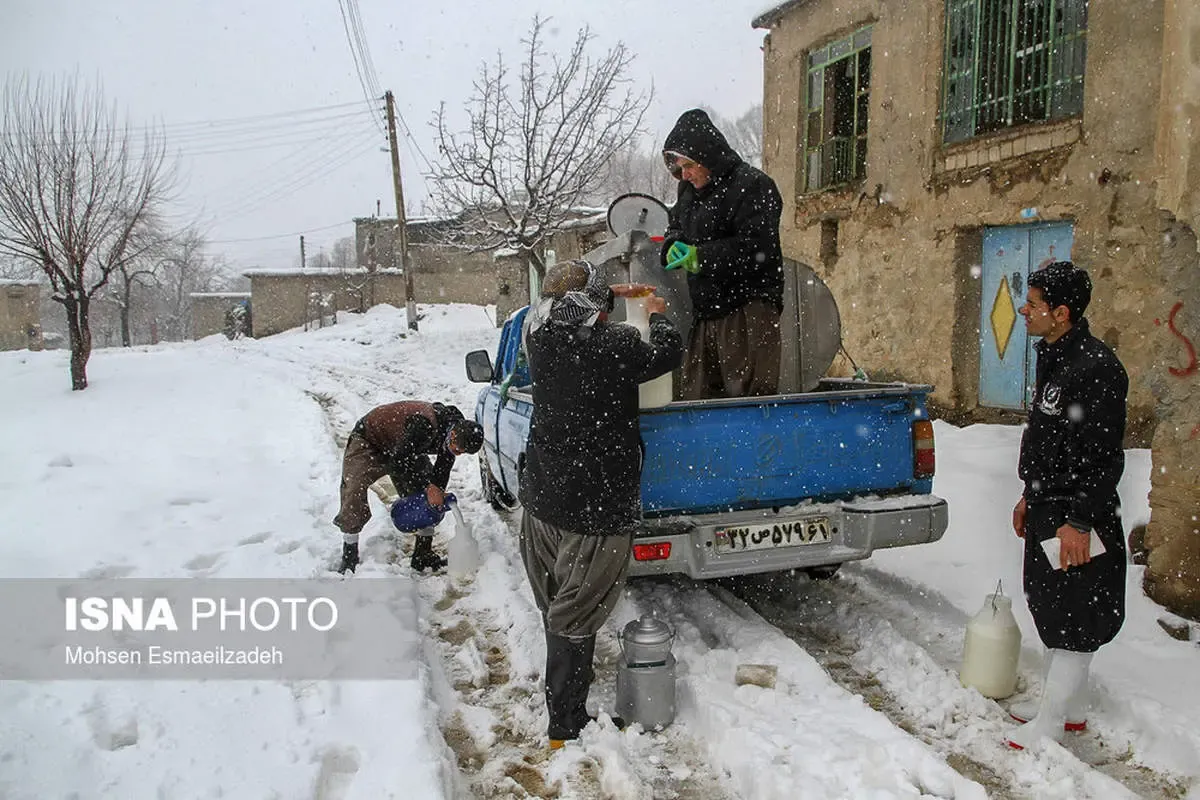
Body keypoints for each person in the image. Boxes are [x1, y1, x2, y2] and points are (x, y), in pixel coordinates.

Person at [519, 260, 683, 749]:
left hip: (544, 499)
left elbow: (572, 301)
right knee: (576, 611)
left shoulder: (539, 337)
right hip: (595, 506)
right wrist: (655, 313)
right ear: (597, 308)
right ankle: (565, 726)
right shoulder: (615, 347)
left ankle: (561, 709)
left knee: (557, 605)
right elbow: (669, 353)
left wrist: (608, 290)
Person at [1006, 261, 1129, 751]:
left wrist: (1079, 522)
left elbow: (1102, 458)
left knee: (1078, 618)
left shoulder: (1097, 369)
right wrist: (1028, 496)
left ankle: (1049, 727)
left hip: (1080, 514)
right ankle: (1069, 711)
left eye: (1033, 304)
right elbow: (1049, 439)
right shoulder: (1054, 355)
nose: (1024, 310)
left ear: (1061, 312)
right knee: (1055, 610)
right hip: (1048, 506)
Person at [659, 108, 785, 400]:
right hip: (706, 312)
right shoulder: (688, 192)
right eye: (677, 169)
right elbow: (675, 224)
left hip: (748, 309)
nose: (684, 175)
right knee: (699, 399)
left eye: (687, 165)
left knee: (747, 400)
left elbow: (757, 248)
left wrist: (699, 258)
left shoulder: (752, 185)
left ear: (707, 155)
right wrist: (672, 245)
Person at [334, 401, 483, 574]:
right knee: (353, 487)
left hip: (407, 447)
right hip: (370, 439)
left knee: (425, 496)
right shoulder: (424, 426)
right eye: (457, 448)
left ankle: (422, 555)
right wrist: (426, 492)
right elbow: (398, 462)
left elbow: (444, 464)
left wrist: (434, 488)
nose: (457, 453)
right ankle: (349, 554)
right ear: (454, 433)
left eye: (461, 452)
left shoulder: (456, 430)